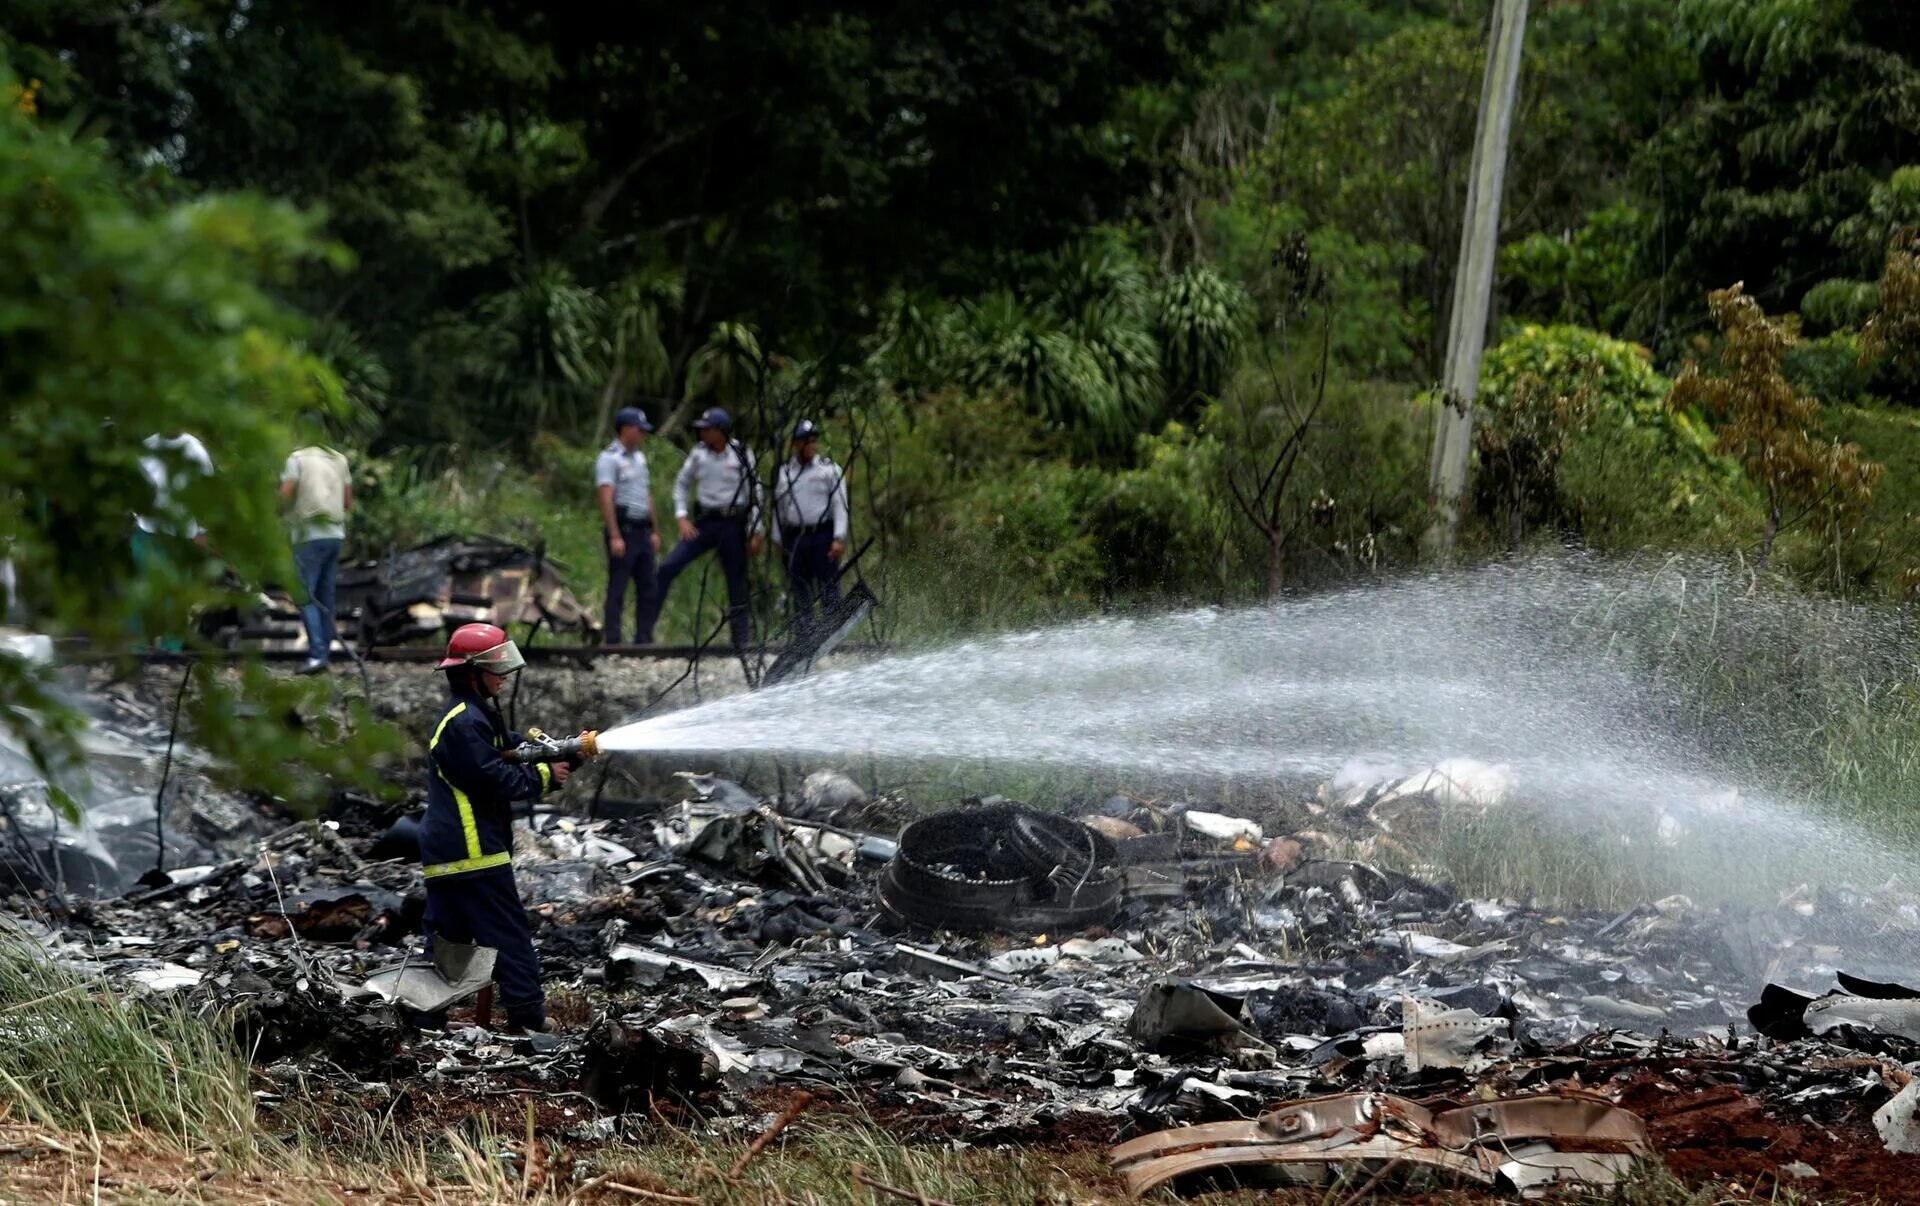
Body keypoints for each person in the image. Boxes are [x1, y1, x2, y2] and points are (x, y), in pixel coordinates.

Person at [418, 623, 583, 1033]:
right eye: (497, 668)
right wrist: (546, 776)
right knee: (507, 936)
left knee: (446, 943)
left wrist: (565, 749)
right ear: (472, 672)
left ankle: (422, 1018)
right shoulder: (463, 723)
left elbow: (513, 750)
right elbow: (496, 778)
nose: (504, 677)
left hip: (449, 853)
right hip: (472, 850)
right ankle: (529, 1018)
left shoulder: (473, 718)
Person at [657, 407, 763, 647]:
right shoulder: (698, 454)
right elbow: (681, 484)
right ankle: (645, 632)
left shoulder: (742, 453)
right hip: (705, 522)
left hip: (733, 522)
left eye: (707, 428)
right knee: (668, 566)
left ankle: (741, 640)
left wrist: (756, 529)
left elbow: (755, 491)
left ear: (720, 430)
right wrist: (681, 516)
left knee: (736, 581)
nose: (702, 433)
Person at [280, 439, 352, 675]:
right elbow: (347, 501)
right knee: (326, 596)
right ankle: (325, 653)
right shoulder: (339, 458)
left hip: (307, 535)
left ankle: (317, 655)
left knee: (305, 595)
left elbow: (285, 496)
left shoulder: (296, 459)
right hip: (335, 535)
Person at [772, 419, 849, 636]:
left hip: (822, 534)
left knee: (828, 584)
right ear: (795, 444)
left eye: (813, 441)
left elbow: (840, 504)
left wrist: (839, 537)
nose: (811, 445)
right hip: (796, 537)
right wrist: (777, 538)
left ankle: (832, 631)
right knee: (800, 586)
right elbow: (778, 508)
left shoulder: (828, 469)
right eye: (806, 441)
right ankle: (805, 634)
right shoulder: (785, 473)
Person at [595, 407, 660, 644]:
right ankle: (613, 639)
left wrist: (655, 530)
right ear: (626, 429)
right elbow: (605, 497)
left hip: (642, 529)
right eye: (639, 430)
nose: (642, 434)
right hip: (623, 529)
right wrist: (614, 535)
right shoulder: (609, 458)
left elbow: (647, 495)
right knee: (618, 587)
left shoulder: (640, 459)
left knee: (648, 586)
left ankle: (644, 638)